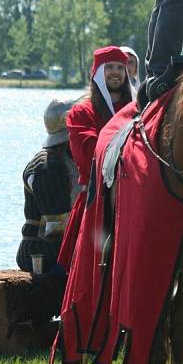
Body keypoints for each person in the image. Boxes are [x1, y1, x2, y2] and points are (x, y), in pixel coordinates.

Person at [57, 46, 133, 270]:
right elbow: (89, 157)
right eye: (109, 67)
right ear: (98, 72)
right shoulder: (82, 113)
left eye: (120, 67)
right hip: (95, 203)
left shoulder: (139, 110)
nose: (115, 72)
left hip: (132, 204)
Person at [17, 99, 79, 274]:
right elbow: (56, 229)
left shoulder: (65, 160)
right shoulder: (48, 166)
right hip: (42, 253)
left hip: (57, 250)